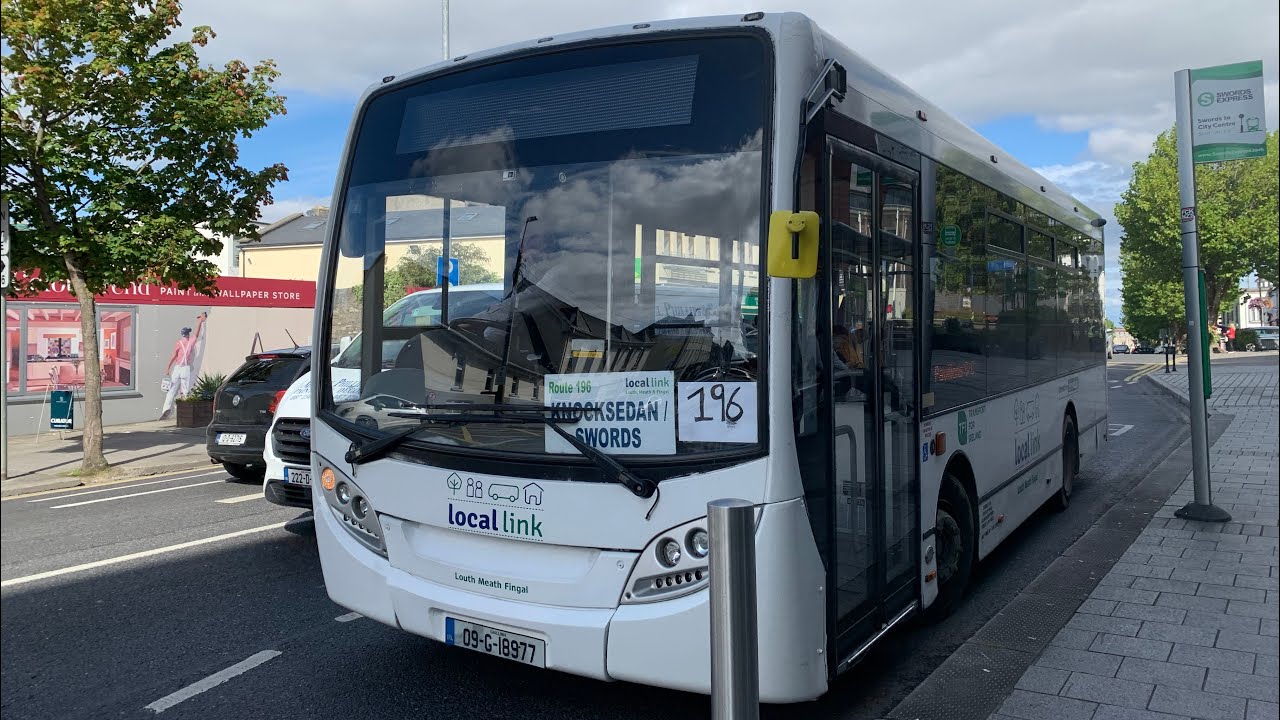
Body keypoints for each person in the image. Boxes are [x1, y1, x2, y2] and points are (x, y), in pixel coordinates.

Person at [159, 312, 207, 420]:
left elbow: (173, 356)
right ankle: (184, 412)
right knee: (185, 390)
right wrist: (200, 322)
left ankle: (166, 409)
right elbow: (197, 333)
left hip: (177, 368)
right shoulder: (191, 342)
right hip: (185, 368)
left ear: (182, 335)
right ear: (187, 334)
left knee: (171, 390)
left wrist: (167, 368)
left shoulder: (178, 343)